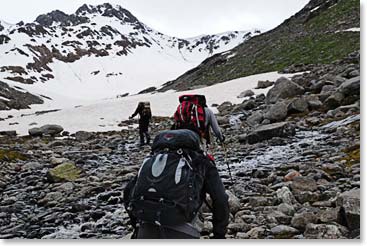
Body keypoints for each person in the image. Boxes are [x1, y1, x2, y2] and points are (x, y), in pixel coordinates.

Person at [124, 129, 229, 239]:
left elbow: (128, 192)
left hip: (146, 229)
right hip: (184, 232)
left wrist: (136, 226)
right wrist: (219, 234)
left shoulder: (152, 159)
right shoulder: (201, 160)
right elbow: (221, 199)